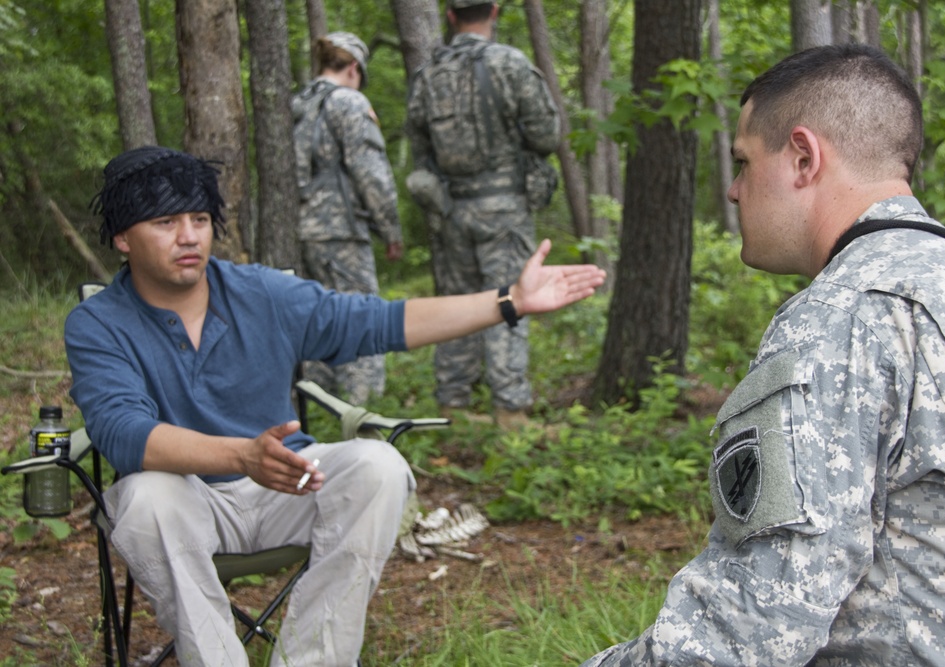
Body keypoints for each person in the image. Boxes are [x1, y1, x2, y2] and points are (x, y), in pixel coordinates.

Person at [66, 145, 604, 667]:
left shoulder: (261, 294)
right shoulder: (99, 324)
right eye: (164, 223)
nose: (188, 237)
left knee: (378, 466)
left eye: (200, 219)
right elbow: (123, 432)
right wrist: (241, 455)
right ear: (122, 238)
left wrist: (508, 301)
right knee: (142, 497)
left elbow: (379, 321)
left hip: (288, 488)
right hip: (191, 500)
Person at [583, 44, 945, 666]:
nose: (731, 190)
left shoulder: (843, 316)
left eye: (744, 162)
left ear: (803, 157)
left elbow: (757, 621)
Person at [404, 0, 560, 429]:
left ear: (451, 17)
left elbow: (419, 147)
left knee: (456, 304)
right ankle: (510, 411)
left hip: (449, 209)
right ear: (493, 11)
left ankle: (451, 404)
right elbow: (547, 135)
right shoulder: (510, 64)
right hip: (504, 210)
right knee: (510, 301)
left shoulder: (427, 75)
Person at [292, 31, 403, 405]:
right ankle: (364, 408)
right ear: (354, 67)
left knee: (314, 318)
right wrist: (389, 228)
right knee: (360, 316)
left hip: (298, 229)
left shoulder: (297, 103)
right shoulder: (348, 102)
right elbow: (370, 171)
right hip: (340, 229)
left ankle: (318, 405)